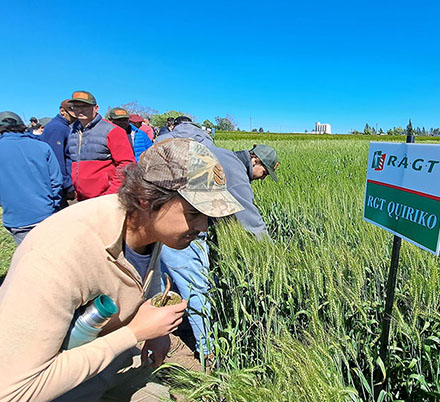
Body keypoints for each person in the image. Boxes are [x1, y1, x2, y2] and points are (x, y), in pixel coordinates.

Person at [0, 138, 244, 400]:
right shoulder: (56, 256)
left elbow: (144, 286)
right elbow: (16, 391)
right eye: (194, 213)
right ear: (144, 199)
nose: (204, 227)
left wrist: (158, 333)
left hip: (112, 366)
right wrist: (135, 333)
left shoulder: (149, 228)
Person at [156, 120, 279, 355]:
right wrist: (272, 252)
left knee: (164, 283)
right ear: (255, 160)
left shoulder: (219, 154)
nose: (262, 178)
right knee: (196, 286)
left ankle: (160, 333)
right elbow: (249, 218)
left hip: (157, 218)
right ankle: (208, 351)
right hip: (181, 225)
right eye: (265, 172)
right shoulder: (233, 168)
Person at [0, 112, 62, 245]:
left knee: (30, 257)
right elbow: (56, 182)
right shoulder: (42, 147)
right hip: (46, 213)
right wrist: (53, 206)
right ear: (22, 127)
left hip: (16, 218)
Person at [66, 90, 136, 200]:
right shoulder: (72, 131)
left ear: (96, 108)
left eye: (85, 106)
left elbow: (127, 164)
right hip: (81, 199)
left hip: (105, 199)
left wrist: (111, 193)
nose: (80, 110)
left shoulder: (113, 131)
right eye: (76, 106)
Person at [40, 99, 78, 209]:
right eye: (72, 115)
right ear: (62, 111)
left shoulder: (65, 127)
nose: (74, 118)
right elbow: (57, 160)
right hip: (60, 186)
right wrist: (68, 186)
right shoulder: (57, 128)